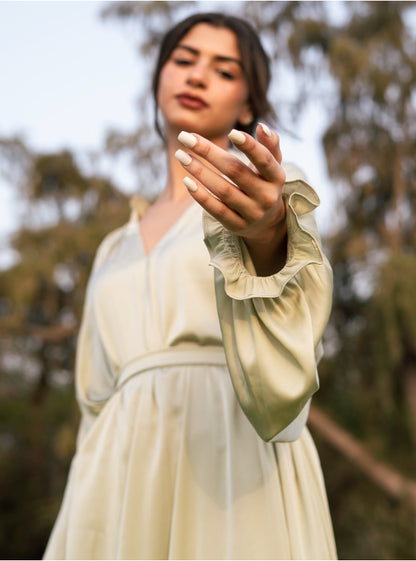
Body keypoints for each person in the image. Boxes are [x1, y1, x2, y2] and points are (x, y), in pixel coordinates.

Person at [44, 11, 337, 560]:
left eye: (224, 70)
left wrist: (267, 234)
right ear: (159, 77)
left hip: (232, 462)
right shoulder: (113, 247)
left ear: (249, 103)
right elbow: (94, 403)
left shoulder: (273, 197)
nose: (197, 76)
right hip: (117, 481)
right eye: (183, 60)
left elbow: (294, 333)